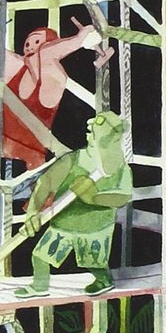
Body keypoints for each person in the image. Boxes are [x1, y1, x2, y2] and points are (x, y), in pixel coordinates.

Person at [0, 0, 101, 180]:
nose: (29, 46)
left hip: (33, 152)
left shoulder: (53, 75)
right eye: (27, 43)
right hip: (4, 141)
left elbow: (47, 55)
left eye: (37, 41)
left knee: (37, 192)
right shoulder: (19, 69)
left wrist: (80, 40)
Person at [15, 111, 132, 298]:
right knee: (41, 256)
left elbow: (124, 196)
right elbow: (45, 183)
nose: (111, 142)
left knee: (94, 261)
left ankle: (104, 280)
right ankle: (39, 286)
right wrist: (32, 213)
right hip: (64, 223)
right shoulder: (72, 160)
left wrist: (94, 198)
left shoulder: (121, 167)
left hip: (97, 226)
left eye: (114, 138)